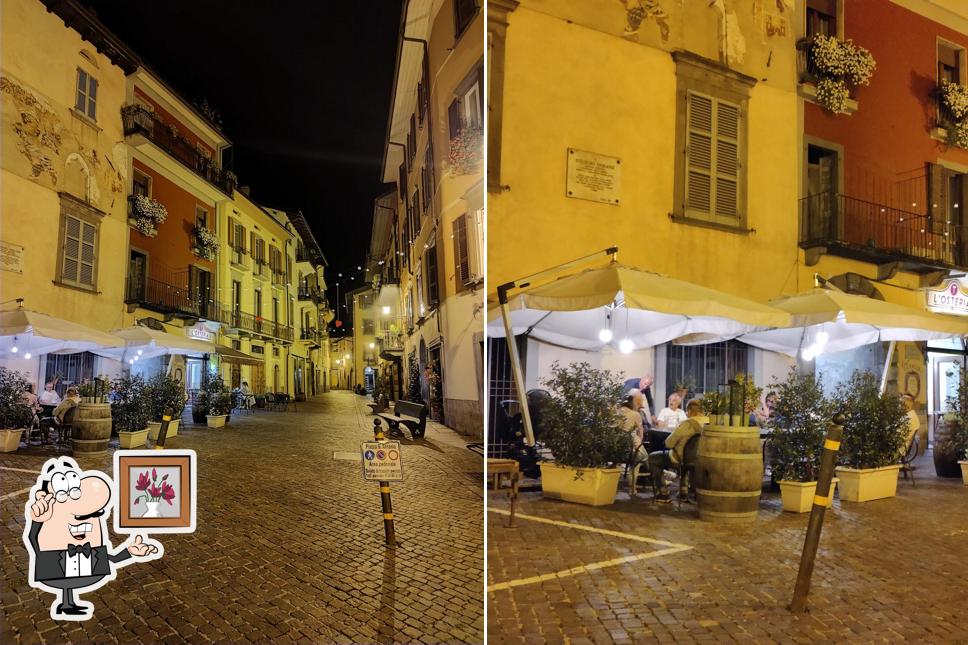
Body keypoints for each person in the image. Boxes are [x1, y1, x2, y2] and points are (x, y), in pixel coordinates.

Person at [24, 457, 161, 618]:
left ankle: (68, 604)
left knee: (71, 580)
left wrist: (130, 552)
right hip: (54, 562)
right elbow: (33, 537)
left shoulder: (92, 544)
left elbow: (109, 559)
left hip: (81, 564)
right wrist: (37, 524)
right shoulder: (49, 539)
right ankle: (67, 603)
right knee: (65, 580)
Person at [648, 398, 704, 503]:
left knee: (653, 458)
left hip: (681, 459)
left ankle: (663, 493)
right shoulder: (708, 423)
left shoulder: (688, 424)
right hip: (701, 460)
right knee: (687, 458)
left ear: (690, 411)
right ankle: (683, 490)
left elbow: (669, 443)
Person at [618, 391, 647, 462]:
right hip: (631, 449)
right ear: (636, 402)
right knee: (645, 456)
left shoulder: (617, 412)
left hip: (615, 448)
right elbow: (640, 435)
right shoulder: (636, 414)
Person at [899, 394, 920, 460]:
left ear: (906, 404)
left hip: (899, 448)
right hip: (900, 444)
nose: (899, 406)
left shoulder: (910, 417)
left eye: (900, 404)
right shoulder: (909, 415)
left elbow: (899, 433)